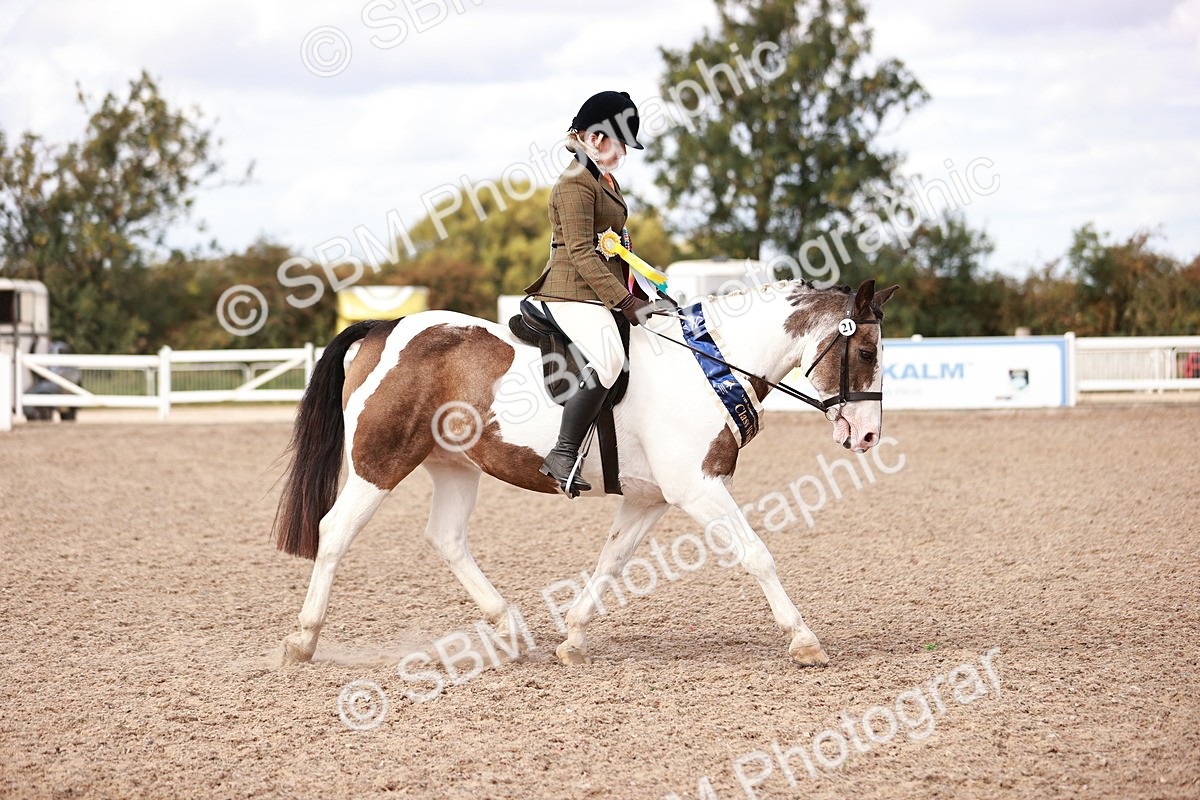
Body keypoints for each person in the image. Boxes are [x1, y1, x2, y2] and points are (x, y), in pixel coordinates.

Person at [524, 90, 653, 495]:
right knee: (610, 359)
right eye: (621, 145)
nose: (624, 155)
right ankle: (563, 453)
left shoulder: (600, 178)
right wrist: (623, 300)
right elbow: (580, 251)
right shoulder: (575, 183)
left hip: (596, 290)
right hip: (570, 293)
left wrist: (643, 290)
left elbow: (617, 246)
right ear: (596, 138)